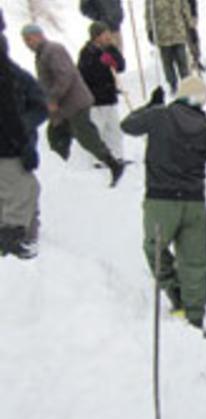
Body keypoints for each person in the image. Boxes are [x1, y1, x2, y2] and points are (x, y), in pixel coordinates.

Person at [120, 78, 206, 331]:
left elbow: (127, 125)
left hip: (161, 199)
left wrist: (150, 106)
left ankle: (174, 291)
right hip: (194, 202)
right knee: (196, 261)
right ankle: (195, 318)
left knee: (154, 248)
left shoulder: (160, 116)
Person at [21, 24, 125, 187]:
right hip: (63, 107)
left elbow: (65, 76)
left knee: (86, 136)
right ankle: (61, 174)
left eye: (29, 39)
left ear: (39, 35)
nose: (27, 43)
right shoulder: (43, 53)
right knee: (57, 136)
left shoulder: (53, 50)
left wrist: (53, 98)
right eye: (25, 40)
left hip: (74, 103)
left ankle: (113, 164)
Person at [0, 12, 48, 259]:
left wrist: (24, 129)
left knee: (24, 191)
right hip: (10, 148)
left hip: (11, 145)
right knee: (21, 192)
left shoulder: (14, 75)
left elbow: (38, 105)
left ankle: (22, 237)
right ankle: (14, 242)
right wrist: (21, 141)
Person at [78, 21, 126, 166]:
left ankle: (117, 156)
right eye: (104, 34)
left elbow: (120, 66)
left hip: (109, 96)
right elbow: (87, 74)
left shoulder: (109, 49)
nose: (108, 36)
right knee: (99, 129)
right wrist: (101, 64)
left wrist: (113, 54)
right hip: (96, 99)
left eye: (108, 33)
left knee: (114, 129)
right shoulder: (87, 52)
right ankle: (99, 159)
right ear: (96, 36)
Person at [145, 0, 193, 93]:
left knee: (182, 60)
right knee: (167, 62)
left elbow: (185, 8)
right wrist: (150, 29)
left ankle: (186, 83)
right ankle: (172, 83)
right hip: (163, 34)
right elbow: (149, 14)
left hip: (178, 31)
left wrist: (190, 26)